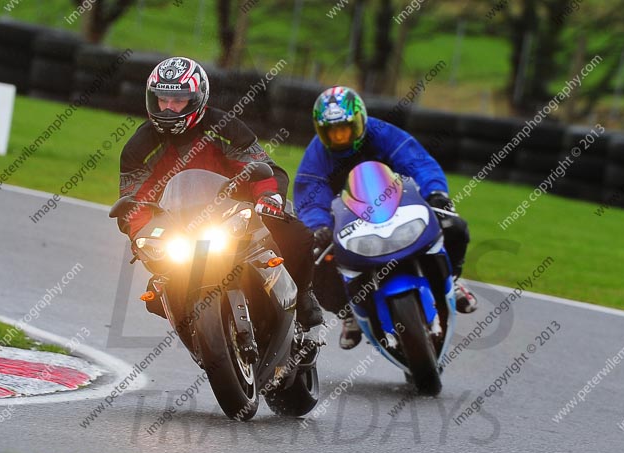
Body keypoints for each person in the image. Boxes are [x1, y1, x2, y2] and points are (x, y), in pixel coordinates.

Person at [116, 56, 322, 329]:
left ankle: (304, 296)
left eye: (178, 101)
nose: (168, 108)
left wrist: (268, 199)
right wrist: (141, 234)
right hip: (180, 228)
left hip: (238, 216)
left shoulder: (224, 128)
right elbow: (133, 204)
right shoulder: (138, 148)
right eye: (162, 100)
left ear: (197, 99)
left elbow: (263, 168)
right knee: (157, 296)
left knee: (297, 235)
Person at [294, 86, 477, 350]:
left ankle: (452, 280)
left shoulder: (382, 133)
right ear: (320, 132)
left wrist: (435, 192)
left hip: (397, 205)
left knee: (454, 225)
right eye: (331, 132)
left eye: (346, 128)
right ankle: (350, 314)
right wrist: (318, 226)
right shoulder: (317, 154)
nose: (340, 138)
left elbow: (417, 161)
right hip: (349, 220)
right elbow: (310, 192)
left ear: (361, 121)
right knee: (316, 262)